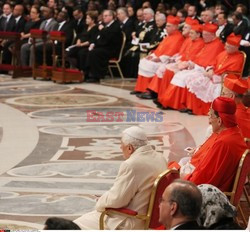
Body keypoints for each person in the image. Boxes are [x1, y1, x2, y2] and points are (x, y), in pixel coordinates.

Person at [74, 126, 167, 229]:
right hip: (147, 219)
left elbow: (117, 200)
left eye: (121, 144)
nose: (120, 147)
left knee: (74, 225)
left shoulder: (132, 164)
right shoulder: (160, 158)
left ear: (130, 148)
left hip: (129, 221)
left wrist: (100, 201)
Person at [185, 97, 247, 192]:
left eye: (211, 116)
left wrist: (184, 178)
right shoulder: (235, 132)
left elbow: (202, 180)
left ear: (219, 121)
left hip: (208, 193)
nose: (209, 121)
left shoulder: (223, 143)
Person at [131, 15, 184, 95]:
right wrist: (152, 55)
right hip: (158, 57)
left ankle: (148, 90)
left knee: (149, 64)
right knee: (143, 61)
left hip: (166, 61)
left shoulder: (179, 37)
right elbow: (160, 49)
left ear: (175, 27)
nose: (166, 28)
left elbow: (172, 52)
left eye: (169, 26)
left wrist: (159, 59)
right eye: (166, 25)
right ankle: (140, 88)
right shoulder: (169, 36)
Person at [84, 9, 122, 83]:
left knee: (95, 53)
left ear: (111, 17)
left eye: (106, 16)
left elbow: (110, 39)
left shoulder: (116, 25)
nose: (104, 17)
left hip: (111, 49)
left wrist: (103, 30)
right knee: (84, 51)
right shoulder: (104, 25)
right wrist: (93, 44)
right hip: (102, 47)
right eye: (103, 16)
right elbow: (97, 37)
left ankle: (96, 76)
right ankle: (86, 73)